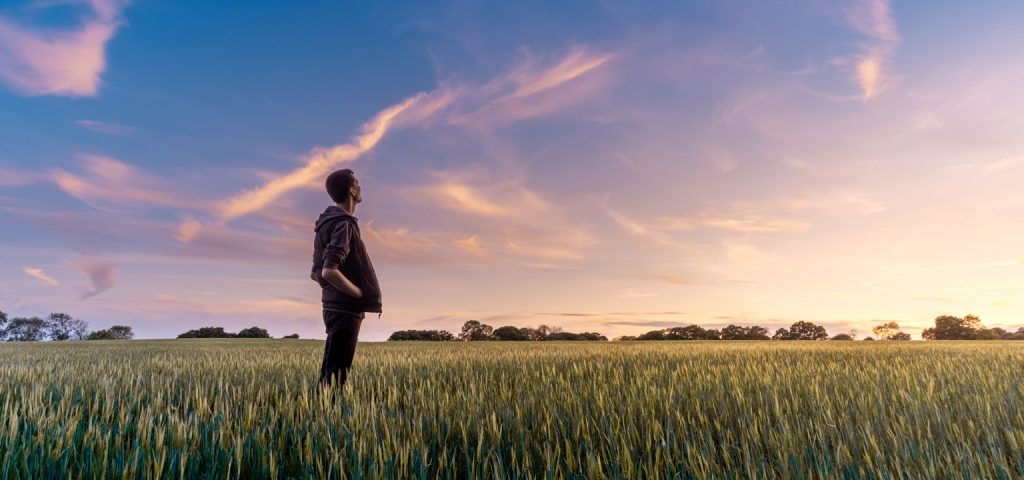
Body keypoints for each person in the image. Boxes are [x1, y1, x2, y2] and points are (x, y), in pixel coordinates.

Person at [310, 169, 382, 393]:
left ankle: (321, 416)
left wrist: (332, 293)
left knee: (331, 371)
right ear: (351, 190)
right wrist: (358, 294)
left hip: (332, 306)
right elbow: (328, 271)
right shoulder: (344, 224)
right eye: (357, 183)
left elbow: (315, 272)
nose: (360, 187)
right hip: (345, 308)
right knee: (337, 375)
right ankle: (327, 421)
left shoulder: (325, 224)